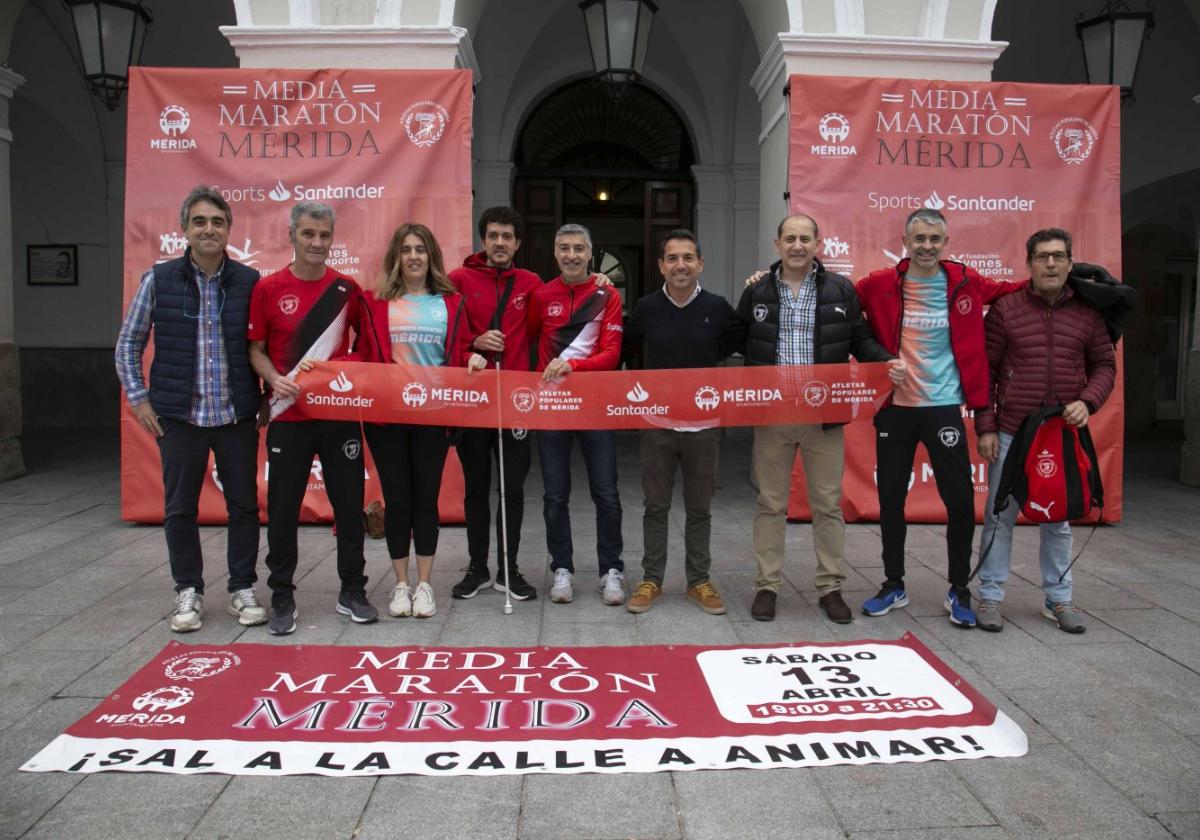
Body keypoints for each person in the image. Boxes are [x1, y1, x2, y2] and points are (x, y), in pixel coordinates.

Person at [855, 207, 1020, 627]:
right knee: (891, 499)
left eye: (935, 239)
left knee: (961, 502)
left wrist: (1072, 280)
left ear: (945, 244)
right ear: (906, 242)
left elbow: (1013, 290)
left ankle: (958, 589)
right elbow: (836, 303)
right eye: (919, 239)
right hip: (896, 409)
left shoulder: (965, 282)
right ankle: (894, 584)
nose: (927, 246)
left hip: (944, 407)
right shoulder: (878, 284)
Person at [740, 214, 904, 623]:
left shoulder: (840, 289)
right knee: (770, 503)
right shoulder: (758, 290)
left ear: (818, 244)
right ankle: (767, 585)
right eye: (790, 238)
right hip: (773, 412)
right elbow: (733, 338)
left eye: (805, 239)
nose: (797, 245)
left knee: (827, 504)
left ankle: (830, 587)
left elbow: (860, 339)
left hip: (823, 414)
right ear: (777, 243)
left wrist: (885, 362)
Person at [115, 185, 265, 632]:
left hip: (235, 415)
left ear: (229, 230)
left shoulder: (249, 282)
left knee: (242, 505)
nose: (209, 229)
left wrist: (265, 399)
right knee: (180, 507)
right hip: (179, 416)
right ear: (184, 229)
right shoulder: (157, 280)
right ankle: (189, 591)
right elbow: (128, 344)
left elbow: (264, 347)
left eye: (218, 222)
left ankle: (242, 588)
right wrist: (139, 399)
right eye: (200, 221)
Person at [974, 228, 1116, 633]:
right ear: (1029, 264)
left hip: (1061, 434)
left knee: (1059, 518)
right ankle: (990, 596)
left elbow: (1105, 366)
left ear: (1070, 262)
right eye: (1042, 257)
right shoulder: (1006, 309)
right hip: (1011, 432)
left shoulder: (1089, 313)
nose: (1050, 264)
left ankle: (1059, 598)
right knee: (999, 516)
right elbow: (985, 370)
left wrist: (1087, 401)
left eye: (1058, 256)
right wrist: (985, 426)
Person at [248, 201, 377, 635]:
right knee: (283, 510)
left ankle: (352, 591)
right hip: (288, 417)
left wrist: (345, 368)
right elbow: (255, 348)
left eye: (324, 235)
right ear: (292, 236)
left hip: (339, 415)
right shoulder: (268, 289)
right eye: (308, 234)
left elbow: (367, 346)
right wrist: (273, 379)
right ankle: (282, 596)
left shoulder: (347, 288)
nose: (317, 242)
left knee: (347, 504)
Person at [360, 223, 488, 619]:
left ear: (432, 256)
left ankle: (425, 585)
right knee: (398, 500)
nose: (413, 256)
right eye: (406, 250)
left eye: (421, 249)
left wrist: (473, 357)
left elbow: (464, 347)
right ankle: (401, 585)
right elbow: (363, 355)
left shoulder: (451, 303)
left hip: (434, 415)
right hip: (388, 418)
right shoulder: (375, 302)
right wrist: (321, 371)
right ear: (396, 257)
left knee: (426, 501)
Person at [622, 229, 745, 615]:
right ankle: (651, 580)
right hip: (656, 423)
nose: (680, 265)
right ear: (661, 265)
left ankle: (699, 581)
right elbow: (624, 351)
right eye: (672, 258)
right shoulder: (645, 308)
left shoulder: (718, 306)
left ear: (700, 264)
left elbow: (736, 342)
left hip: (703, 425)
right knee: (655, 506)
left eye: (688, 258)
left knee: (699, 508)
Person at [448, 207, 542, 602]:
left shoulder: (532, 283)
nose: (500, 242)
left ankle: (509, 568)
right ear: (483, 241)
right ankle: (477, 566)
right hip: (473, 399)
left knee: (513, 488)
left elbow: (553, 320)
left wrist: (602, 282)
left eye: (507, 236)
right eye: (493, 236)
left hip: (515, 399)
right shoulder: (458, 279)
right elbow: (447, 333)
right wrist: (475, 342)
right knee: (475, 487)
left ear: (517, 243)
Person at [528, 223, 625, 604]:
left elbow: (612, 354)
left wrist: (573, 367)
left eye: (578, 249)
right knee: (555, 495)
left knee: (607, 494)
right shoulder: (541, 295)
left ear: (590, 253)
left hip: (595, 406)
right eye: (564, 248)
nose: (571, 255)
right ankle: (562, 569)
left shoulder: (607, 294)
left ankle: (610, 570)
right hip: (552, 408)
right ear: (555, 253)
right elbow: (529, 341)